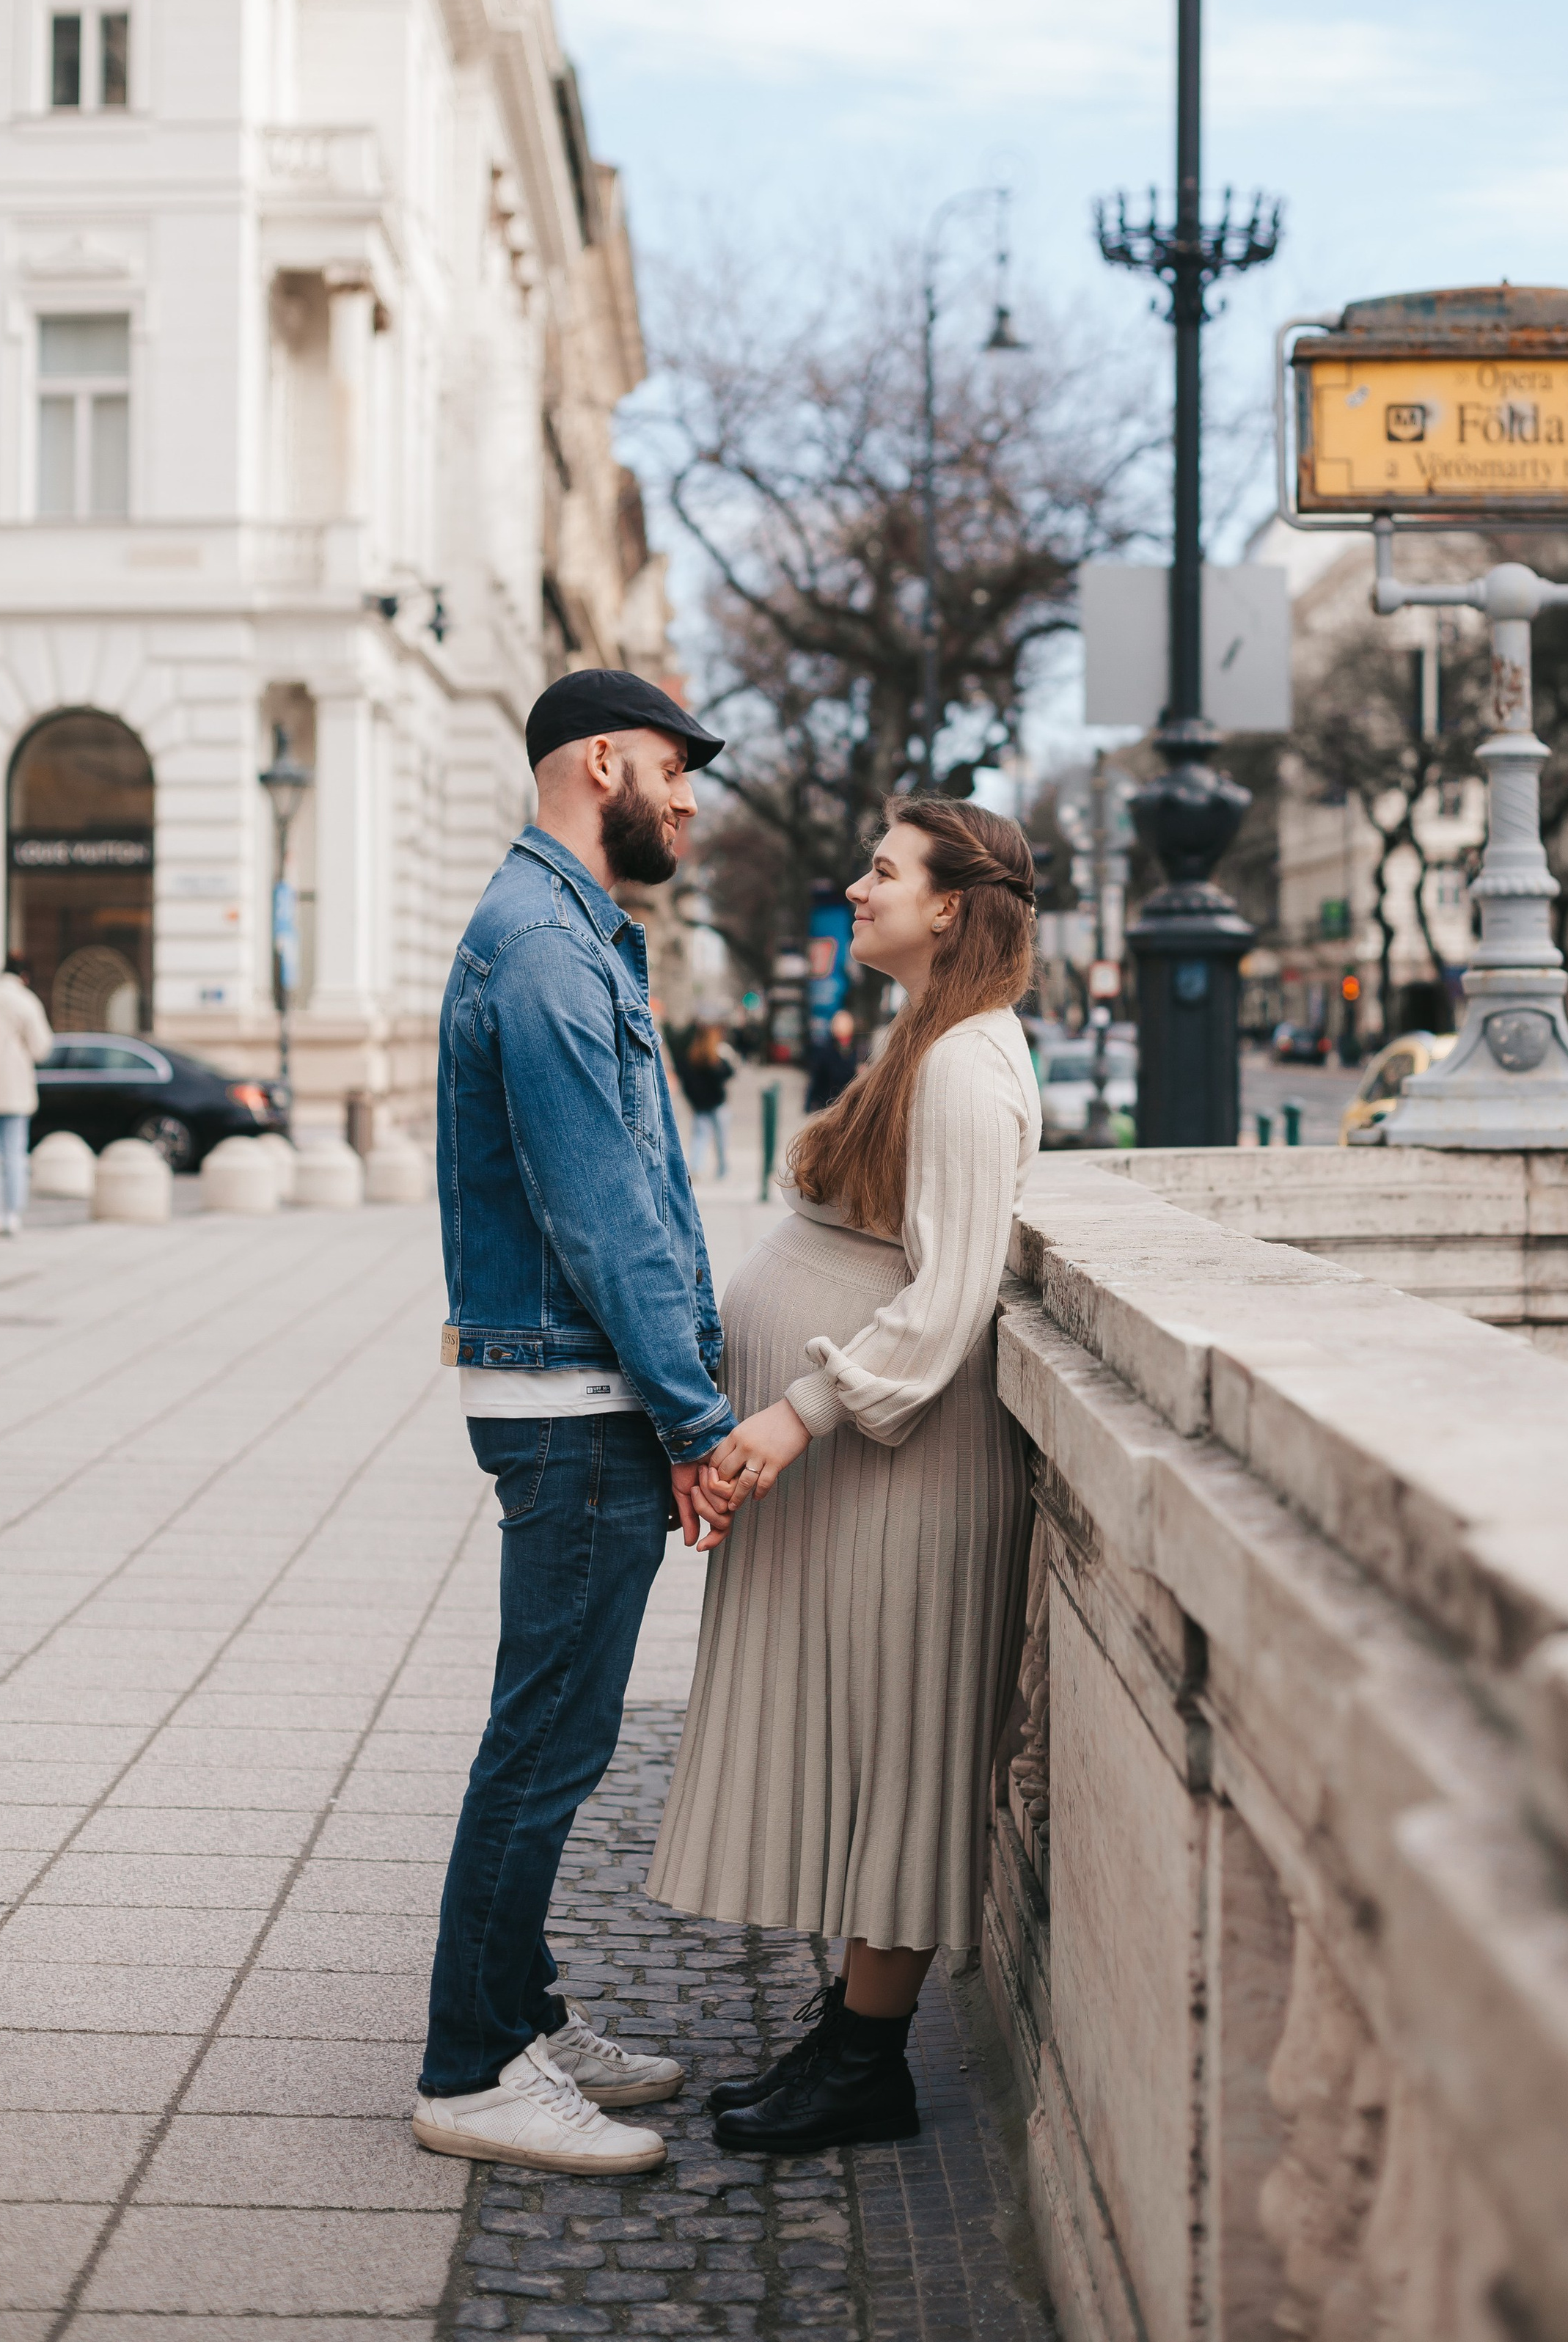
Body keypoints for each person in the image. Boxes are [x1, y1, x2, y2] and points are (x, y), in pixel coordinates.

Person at [648, 797, 1042, 2154]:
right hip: (879, 1471)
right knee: (873, 1740)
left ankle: (869, 2064)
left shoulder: (968, 1066)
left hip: (910, 1465)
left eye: (882, 872)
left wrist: (799, 1412)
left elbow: (951, 1295)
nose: (857, 890)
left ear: (949, 906)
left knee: (907, 1748)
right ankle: (852, 2036)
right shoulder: (930, 1037)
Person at [412, 669, 740, 2182]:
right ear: (602, 762)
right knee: (543, 1744)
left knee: (558, 1732)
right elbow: (603, 1211)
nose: (689, 800)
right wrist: (694, 1416)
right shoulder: (545, 944)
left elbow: (630, 1197)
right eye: (676, 769)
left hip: (580, 1389)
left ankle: (524, 2013)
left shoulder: (565, 929)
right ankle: (472, 2070)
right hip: (574, 1400)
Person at [0, 959, 52, 1237]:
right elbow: (42, 1049)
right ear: (23, 976)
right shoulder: (25, 1002)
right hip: (13, 1088)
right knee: (15, 1154)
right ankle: (13, 1215)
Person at [679, 1022, 735, 1180]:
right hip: (717, 1104)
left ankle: (697, 1168)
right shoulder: (714, 1059)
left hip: (701, 1105)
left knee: (700, 1138)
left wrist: (692, 1101)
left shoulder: (691, 1057)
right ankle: (722, 1170)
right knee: (721, 1139)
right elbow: (729, 1074)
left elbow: (686, 1084)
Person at [803, 1004, 859, 1113]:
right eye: (839, 1024)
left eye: (845, 1024)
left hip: (852, 1108)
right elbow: (817, 1079)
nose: (842, 1028)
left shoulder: (859, 1050)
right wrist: (810, 1104)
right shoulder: (826, 1051)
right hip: (829, 1107)